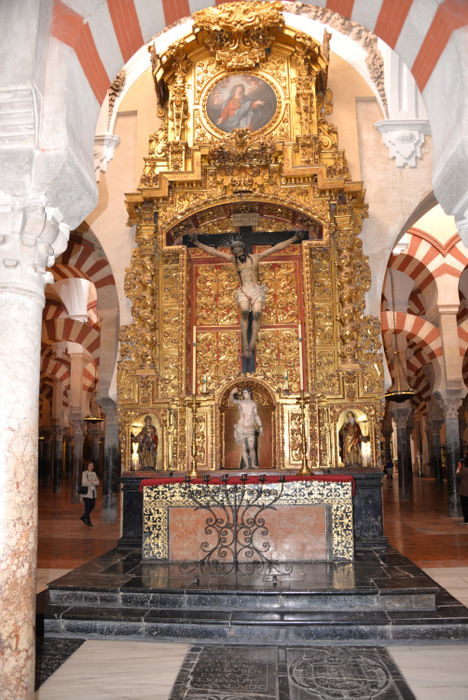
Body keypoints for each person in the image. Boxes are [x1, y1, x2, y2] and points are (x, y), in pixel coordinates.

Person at [190, 231, 303, 358]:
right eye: (235, 251)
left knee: (256, 314)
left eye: (239, 250)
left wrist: (294, 238)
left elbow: (276, 248)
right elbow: (215, 252)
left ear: (243, 248)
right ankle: (245, 347)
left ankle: (251, 346)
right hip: (244, 291)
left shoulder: (256, 257)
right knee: (244, 311)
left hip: (256, 291)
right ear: (233, 252)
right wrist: (197, 243)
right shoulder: (234, 260)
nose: (238, 253)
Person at [229, 386, 263, 469]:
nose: (244, 395)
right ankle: (247, 465)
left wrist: (261, 426)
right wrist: (232, 393)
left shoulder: (253, 404)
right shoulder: (241, 403)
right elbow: (232, 400)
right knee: (243, 447)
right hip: (241, 427)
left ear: (249, 393)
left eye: (245, 393)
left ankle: (253, 464)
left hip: (250, 428)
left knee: (251, 446)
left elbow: (256, 416)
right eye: (243, 393)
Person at [80, 462, 99, 527]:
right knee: (87, 508)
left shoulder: (94, 473)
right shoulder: (84, 473)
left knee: (92, 506)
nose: (91, 467)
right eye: (90, 465)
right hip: (87, 493)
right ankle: (88, 521)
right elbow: (84, 483)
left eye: (92, 465)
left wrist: (90, 481)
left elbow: (97, 482)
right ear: (87, 466)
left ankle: (83, 517)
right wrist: (93, 481)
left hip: (93, 493)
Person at [456, 459, 468, 524]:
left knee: (465, 506)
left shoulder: (464, 470)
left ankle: (466, 520)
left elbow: (457, 473)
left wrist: (459, 466)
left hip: (464, 491)